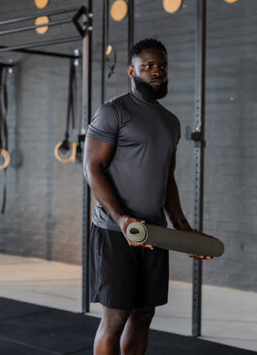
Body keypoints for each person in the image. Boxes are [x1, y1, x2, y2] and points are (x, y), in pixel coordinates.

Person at [83, 38, 211, 355]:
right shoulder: (113, 112)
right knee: (114, 319)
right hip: (116, 232)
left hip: (153, 232)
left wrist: (181, 226)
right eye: (148, 66)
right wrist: (121, 218)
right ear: (131, 71)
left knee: (143, 315)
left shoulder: (170, 123)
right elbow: (92, 168)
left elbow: (166, 179)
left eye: (161, 67)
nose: (156, 72)